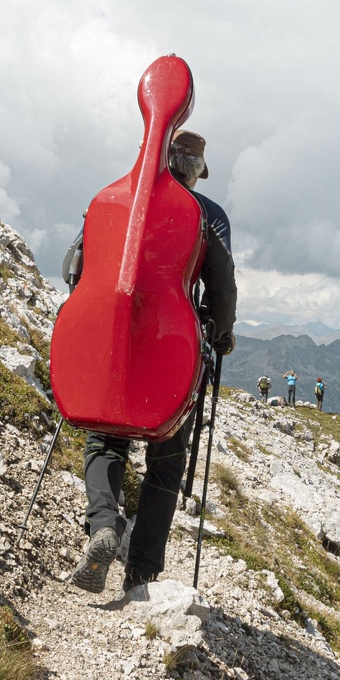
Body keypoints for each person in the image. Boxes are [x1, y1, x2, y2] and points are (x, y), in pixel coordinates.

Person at [64, 130, 237, 595]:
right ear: (196, 170)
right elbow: (221, 288)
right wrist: (220, 335)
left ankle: (103, 524)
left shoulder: (119, 198)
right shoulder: (208, 215)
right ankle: (141, 573)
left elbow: (73, 268)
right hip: (173, 349)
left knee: (104, 437)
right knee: (167, 457)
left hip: (117, 339)